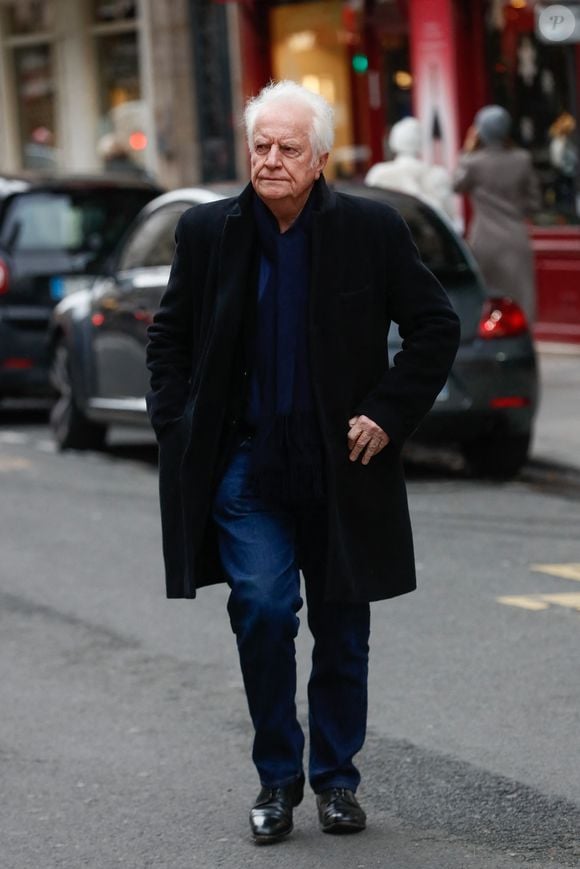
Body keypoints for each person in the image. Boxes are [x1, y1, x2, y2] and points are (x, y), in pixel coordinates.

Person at [146, 80, 460, 844]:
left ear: (320, 159)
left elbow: (434, 326)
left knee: (343, 625)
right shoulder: (207, 231)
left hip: (342, 461)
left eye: (290, 148)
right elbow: (169, 339)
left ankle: (337, 780)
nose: (273, 160)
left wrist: (387, 413)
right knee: (260, 606)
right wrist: (178, 426)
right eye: (261, 146)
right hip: (246, 463)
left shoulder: (370, 231)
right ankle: (277, 776)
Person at [453, 105, 541, 323]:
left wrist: (467, 148)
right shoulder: (522, 159)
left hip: (484, 240)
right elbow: (534, 202)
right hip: (516, 238)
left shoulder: (472, 162)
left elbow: (456, 185)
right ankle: (522, 344)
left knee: (487, 298)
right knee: (520, 297)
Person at [365, 116, 460, 230]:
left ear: (393, 142)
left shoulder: (378, 173)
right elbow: (449, 219)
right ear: (421, 142)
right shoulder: (438, 175)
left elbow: (367, 216)